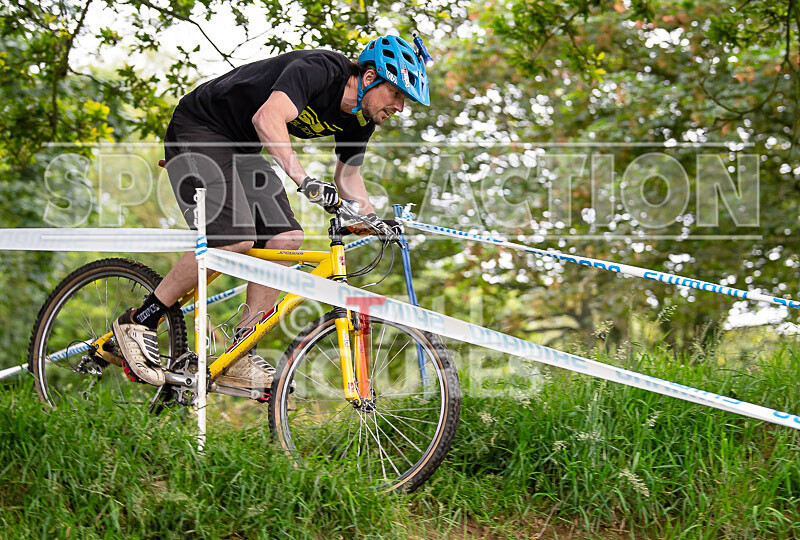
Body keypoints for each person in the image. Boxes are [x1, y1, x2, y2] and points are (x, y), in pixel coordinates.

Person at [112, 35, 431, 391]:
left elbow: (349, 176)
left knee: (287, 238)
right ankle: (140, 320)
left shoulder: (360, 120)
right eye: (398, 95)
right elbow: (268, 117)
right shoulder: (320, 70)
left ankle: (238, 352)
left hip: (244, 149)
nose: (400, 107)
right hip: (201, 126)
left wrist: (369, 218)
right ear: (370, 78)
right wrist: (303, 178)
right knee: (234, 237)